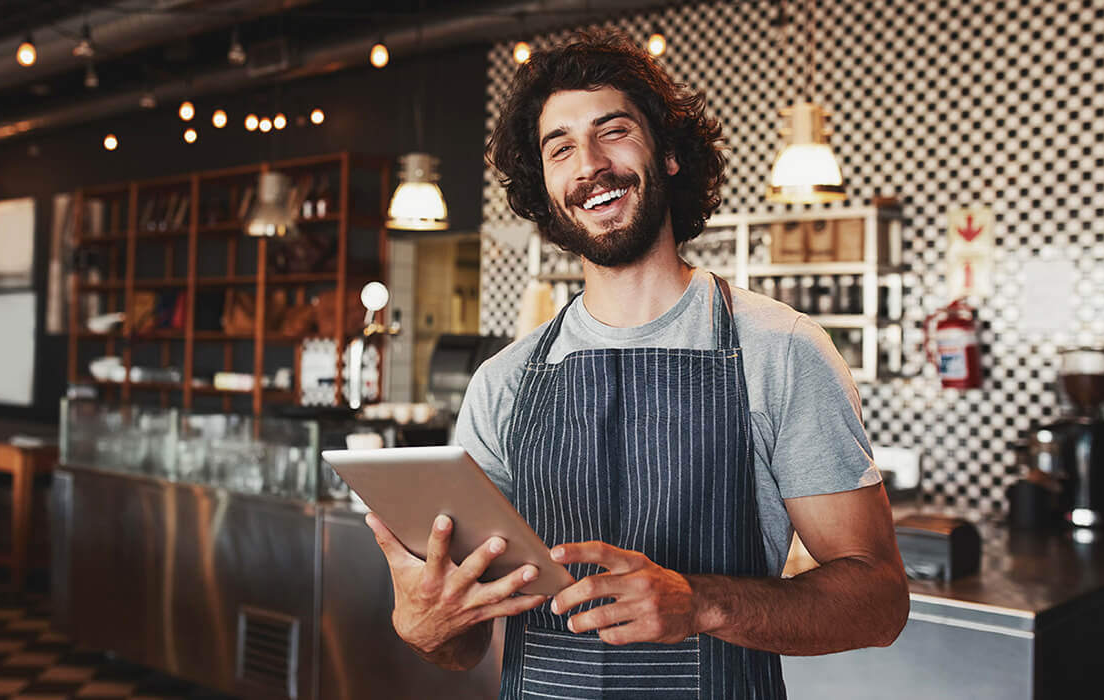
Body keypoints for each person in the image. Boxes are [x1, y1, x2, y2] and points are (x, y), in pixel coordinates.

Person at [365, 28, 909, 699]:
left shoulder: (783, 349)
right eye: (559, 147)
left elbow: (880, 602)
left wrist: (700, 603)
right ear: (546, 186)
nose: (589, 163)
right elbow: (466, 640)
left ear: (670, 155)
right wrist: (428, 623)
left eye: (612, 130)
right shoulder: (503, 383)